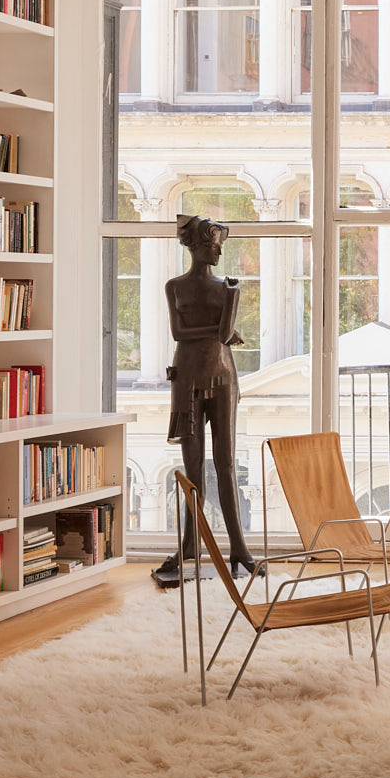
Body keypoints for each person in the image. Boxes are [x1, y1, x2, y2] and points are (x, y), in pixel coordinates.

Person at [154, 214, 257, 584]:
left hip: (223, 375)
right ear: (196, 246)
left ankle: (239, 548)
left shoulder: (226, 287)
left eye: (219, 246)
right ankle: (189, 546)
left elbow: (221, 334)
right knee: (193, 468)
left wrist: (228, 314)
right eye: (213, 245)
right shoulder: (175, 287)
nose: (218, 252)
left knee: (226, 464)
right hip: (187, 378)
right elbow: (179, 332)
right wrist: (222, 330)